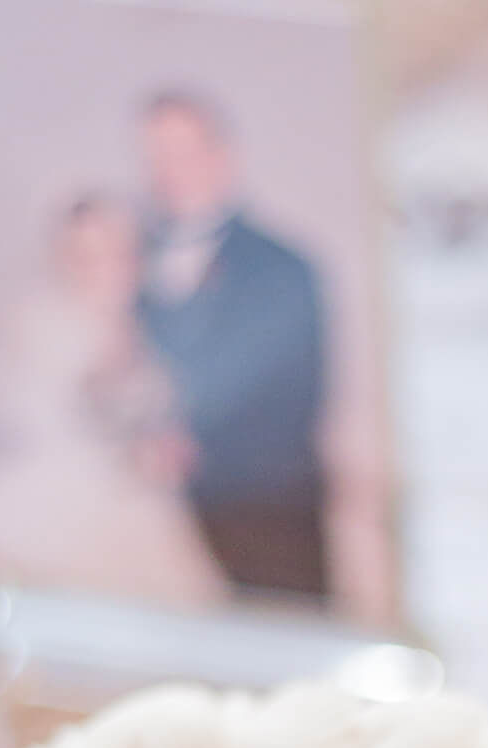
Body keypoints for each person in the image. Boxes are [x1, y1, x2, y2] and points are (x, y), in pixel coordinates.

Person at [0, 194, 226, 607]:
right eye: (86, 256)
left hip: (146, 510)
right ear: (64, 259)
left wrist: (169, 449)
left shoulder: (151, 327)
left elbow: (167, 411)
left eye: (118, 252)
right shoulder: (40, 326)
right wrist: (127, 457)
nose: (106, 268)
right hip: (64, 505)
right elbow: (42, 423)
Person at [135, 90, 329, 598]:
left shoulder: (283, 268)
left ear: (224, 155)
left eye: (185, 151)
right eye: (158, 154)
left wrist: (189, 446)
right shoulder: (125, 258)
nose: (171, 169)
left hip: (265, 507)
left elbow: (292, 400)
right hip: (152, 516)